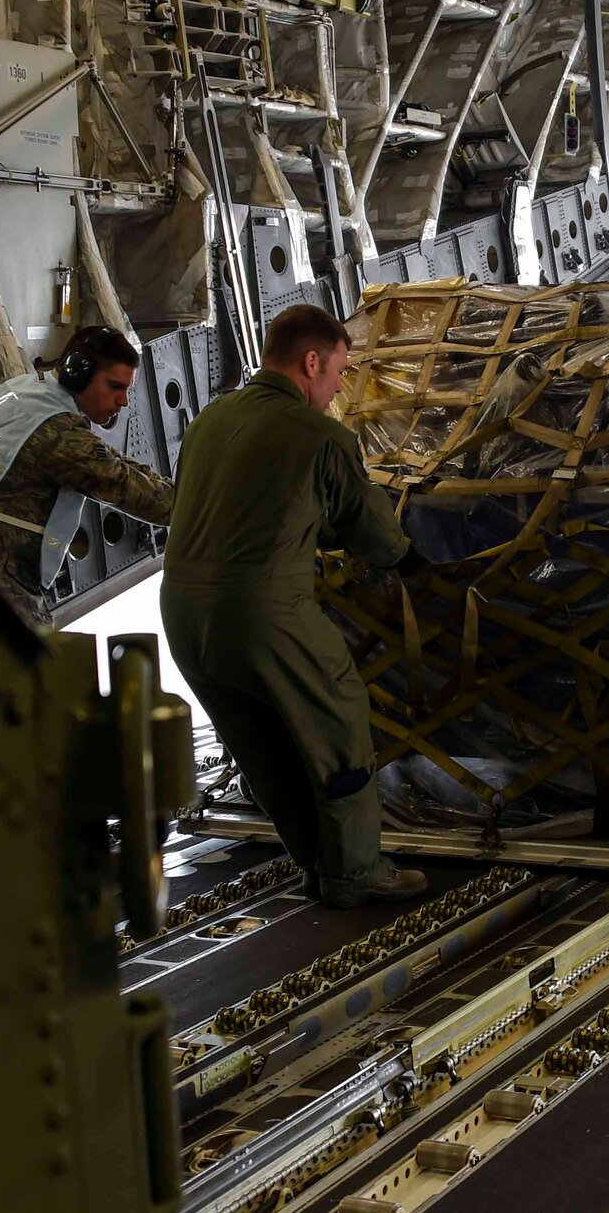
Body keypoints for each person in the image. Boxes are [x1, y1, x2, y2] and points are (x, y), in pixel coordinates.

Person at [161, 305, 426, 907]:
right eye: (336, 374)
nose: (336, 391)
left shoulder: (208, 422)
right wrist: (408, 558)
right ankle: (356, 873)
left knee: (263, 745)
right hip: (264, 613)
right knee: (336, 724)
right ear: (311, 362)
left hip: (182, 614)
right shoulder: (320, 437)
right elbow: (373, 532)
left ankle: (315, 861)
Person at [0, 326, 175, 623]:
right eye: (115, 387)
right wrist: (207, 504)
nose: (123, 401)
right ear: (79, 374)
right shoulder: (57, 435)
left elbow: (108, 458)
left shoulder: (24, 392)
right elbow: (131, 490)